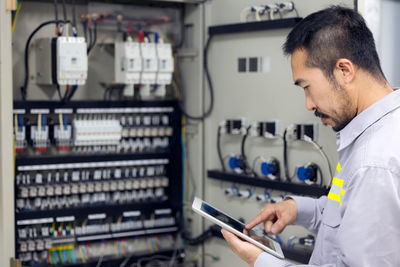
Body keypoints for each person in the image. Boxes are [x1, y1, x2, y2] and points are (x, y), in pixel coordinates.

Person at [221, 5, 400, 267]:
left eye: (307, 87)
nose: (308, 104)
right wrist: (298, 209)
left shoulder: (373, 163)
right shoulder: (374, 132)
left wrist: (261, 262)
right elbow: (348, 209)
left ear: (344, 70)